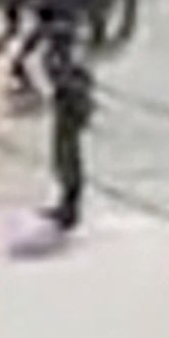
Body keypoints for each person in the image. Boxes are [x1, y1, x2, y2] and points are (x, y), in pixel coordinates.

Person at [44, 17, 94, 233]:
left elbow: (78, 82)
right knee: (61, 157)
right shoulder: (60, 57)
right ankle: (65, 203)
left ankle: (70, 207)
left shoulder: (72, 58)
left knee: (68, 157)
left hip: (71, 109)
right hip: (65, 108)